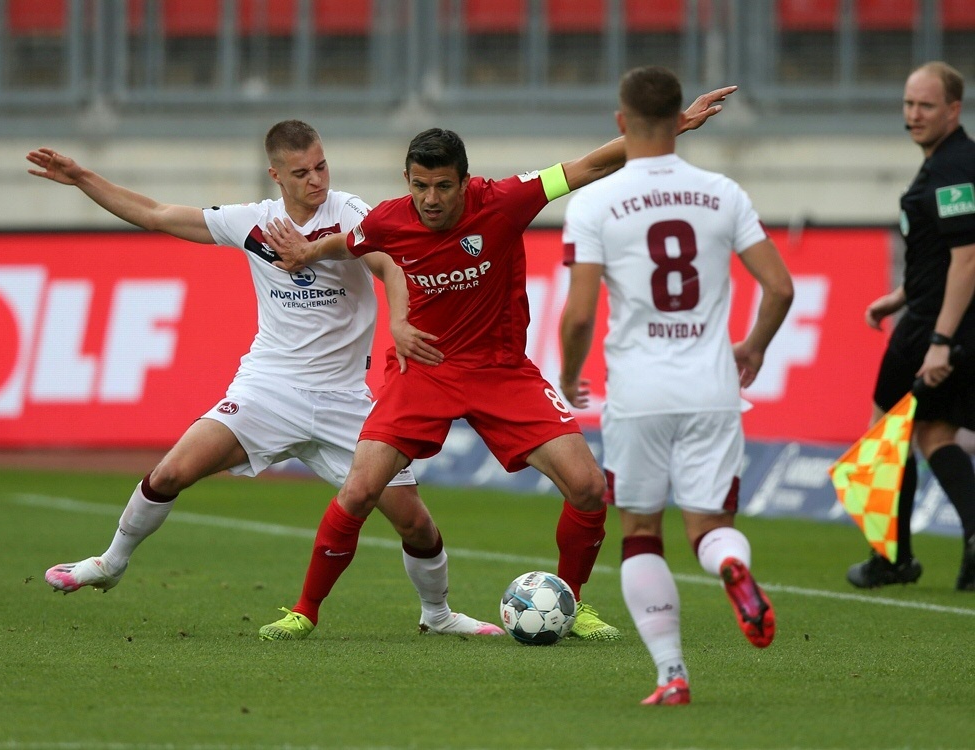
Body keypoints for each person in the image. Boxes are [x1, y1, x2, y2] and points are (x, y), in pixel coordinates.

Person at [257, 84, 738, 643]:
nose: (430, 199)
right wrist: (309, 252)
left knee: (587, 487)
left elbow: (585, 167)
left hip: (500, 369)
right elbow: (351, 241)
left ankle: (573, 604)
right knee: (360, 490)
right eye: (419, 186)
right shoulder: (390, 220)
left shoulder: (508, 200)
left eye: (442, 186)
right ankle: (305, 611)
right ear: (406, 183)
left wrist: (666, 129)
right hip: (424, 370)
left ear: (465, 181)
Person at [26, 120, 505, 638]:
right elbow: (157, 214)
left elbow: (390, 264)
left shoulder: (351, 212)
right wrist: (82, 178)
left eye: (321, 166)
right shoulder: (253, 223)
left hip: (345, 400)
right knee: (169, 474)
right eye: (301, 172)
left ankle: (437, 614)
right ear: (276, 175)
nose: (316, 180)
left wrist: (398, 321)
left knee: (414, 522)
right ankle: (111, 562)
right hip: (268, 391)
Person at [559, 66, 793, 704]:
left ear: (621, 122)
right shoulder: (722, 192)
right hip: (712, 384)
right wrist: (754, 346)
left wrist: (571, 374)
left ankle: (671, 674)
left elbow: (579, 314)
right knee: (709, 524)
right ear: (677, 123)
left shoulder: (595, 204)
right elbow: (780, 287)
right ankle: (729, 565)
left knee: (640, 534)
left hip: (638, 390)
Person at [846, 61, 975, 592]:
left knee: (883, 435)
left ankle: (891, 556)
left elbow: (968, 259)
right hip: (934, 312)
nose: (914, 115)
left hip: (935, 326)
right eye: (908, 104)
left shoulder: (952, 169)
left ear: (953, 109)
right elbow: (942, 257)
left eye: (925, 105)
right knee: (935, 433)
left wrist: (940, 341)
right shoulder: (949, 162)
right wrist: (896, 296)